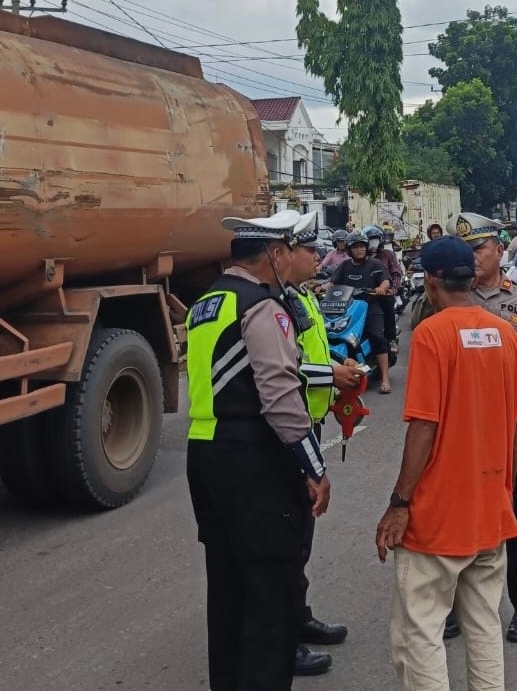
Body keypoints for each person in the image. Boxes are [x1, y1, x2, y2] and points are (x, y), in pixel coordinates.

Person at [375, 236, 517, 691]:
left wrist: (400, 501)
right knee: (484, 625)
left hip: (439, 518)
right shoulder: (504, 332)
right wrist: (504, 491)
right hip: (489, 511)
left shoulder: (431, 334)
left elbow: (423, 425)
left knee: (419, 631)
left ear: (429, 281)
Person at [185, 210, 332, 691]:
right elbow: (279, 394)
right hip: (252, 459)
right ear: (274, 253)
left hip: (205, 452)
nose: (291, 260)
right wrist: (313, 466)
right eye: (290, 250)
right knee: (270, 590)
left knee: (227, 585)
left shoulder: (206, 303)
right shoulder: (262, 306)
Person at [411, 213, 517, 644]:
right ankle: (456, 605)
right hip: (456, 415)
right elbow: (416, 334)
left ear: (500, 251)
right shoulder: (442, 295)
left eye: (479, 248)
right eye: (466, 250)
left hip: (510, 415)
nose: (472, 257)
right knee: (454, 506)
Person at [286, 213, 365, 677]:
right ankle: (284, 635)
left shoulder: (301, 297)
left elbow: (313, 352)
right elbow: (279, 373)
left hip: (309, 422)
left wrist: (340, 363)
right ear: (283, 253)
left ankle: (298, 616)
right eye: (308, 250)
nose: (318, 257)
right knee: (286, 538)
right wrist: (330, 375)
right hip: (287, 428)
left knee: (302, 533)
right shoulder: (274, 304)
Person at [331, 232, 394, 393]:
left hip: (371, 306)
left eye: (361, 247)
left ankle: (385, 378)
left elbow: (385, 280)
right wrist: (321, 287)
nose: (359, 250)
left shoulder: (375, 264)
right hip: (349, 308)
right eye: (355, 247)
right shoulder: (344, 266)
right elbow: (332, 282)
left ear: (366, 248)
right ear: (349, 250)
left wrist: (382, 288)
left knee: (377, 336)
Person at [367, 225, 404, 356]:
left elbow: (396, 273)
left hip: (384, 294)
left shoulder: (387, 255)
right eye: (370, 239)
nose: (372, 242)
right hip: (366, 294)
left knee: (388, 304)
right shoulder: (360, 257)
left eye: (375, 239)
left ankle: (391, 339)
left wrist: (392, 290)